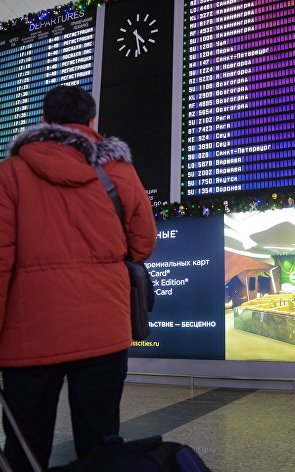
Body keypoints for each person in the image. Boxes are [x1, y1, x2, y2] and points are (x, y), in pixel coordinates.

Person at [0, 85, 157, 470]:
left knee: (26, 446)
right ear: (92, 122)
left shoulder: (11, 173)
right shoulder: (118, 170)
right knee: (101, 443)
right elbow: (143, 242)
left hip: (28, 336)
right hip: (104, 328)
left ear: (43, 121)